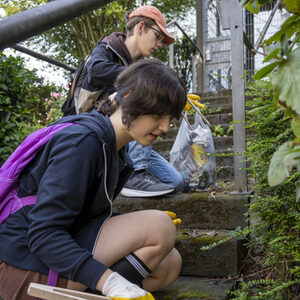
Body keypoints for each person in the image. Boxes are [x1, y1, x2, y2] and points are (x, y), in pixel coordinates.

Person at [0, 59, 186, 300]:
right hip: (21, 268)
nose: (164, 127)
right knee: (159, 228)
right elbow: (43, 233)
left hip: (45, 258)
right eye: (158, 114)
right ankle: (102, 291)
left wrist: (133, 229)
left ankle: (99, 291)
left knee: (169, 264)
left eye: (169, 117)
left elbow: (81, 218)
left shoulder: (116, 151)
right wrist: (110, 282)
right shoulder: (82, 143)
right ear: (128, 96)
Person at [76, 5, 184, 197]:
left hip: (128, 137)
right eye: (158, 37)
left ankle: (133, 168)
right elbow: (96, 70)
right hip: (97, 122)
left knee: (175, 181)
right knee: (140, 99)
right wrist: (143, 78)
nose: (159, 44)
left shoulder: (140, 64)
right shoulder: (107, 47)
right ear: (141, 27)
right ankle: (134, 175)